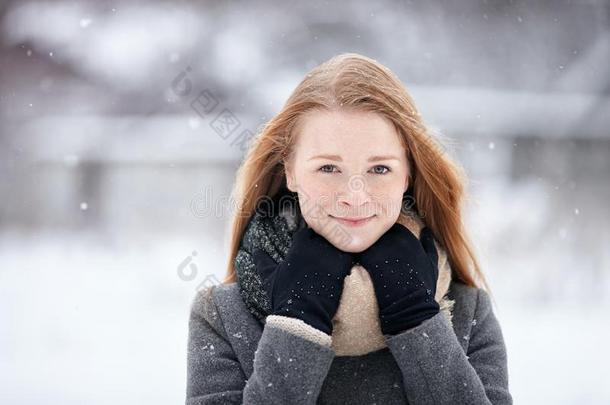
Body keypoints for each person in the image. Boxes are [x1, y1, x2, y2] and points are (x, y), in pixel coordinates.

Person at [185, 52, 512, 404]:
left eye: (379, 169)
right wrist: (296, 325)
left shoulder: (467, 312)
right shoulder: (223, 315)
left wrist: (417, 321)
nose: (354, 197)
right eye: (328, 168)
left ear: (408, 174)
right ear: (290, 171)